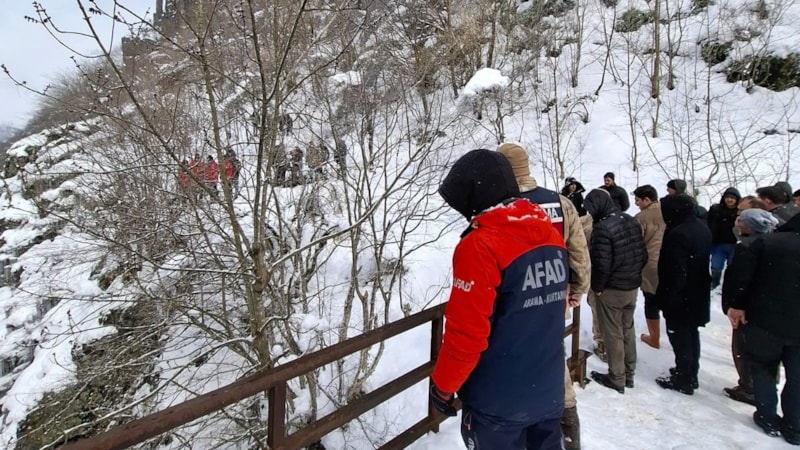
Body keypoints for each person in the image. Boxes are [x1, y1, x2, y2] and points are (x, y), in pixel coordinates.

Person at [430, 149, 568, 450]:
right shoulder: (549, 233)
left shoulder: (480, 246)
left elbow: (467, 334)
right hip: (547, 390)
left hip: (500, 401)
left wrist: (443, 386)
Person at [497, 143, 589, 450]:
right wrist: (576, 290)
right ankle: (567, 432)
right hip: (553, 299)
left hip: (512, 304)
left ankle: (519, 427)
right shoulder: (560, 202)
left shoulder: (500, 205)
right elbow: (578, 252)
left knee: (512, 362)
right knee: (552, 357)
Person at [723, 212, 800, 445]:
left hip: (765, 320)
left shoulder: (765, 243)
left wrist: (736, 305)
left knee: (763, 368)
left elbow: (742, 279)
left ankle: (767, 416)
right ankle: (795, 426)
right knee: (797, 377)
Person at [584, 189, 647, 394]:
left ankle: (616, 377)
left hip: (612, 288)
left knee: (612, 333)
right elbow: (642, 253)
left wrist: (598, 288)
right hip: (631, 285)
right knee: (627, 329)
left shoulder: (602, 228)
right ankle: (629, 372)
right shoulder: (630, 220)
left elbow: (602, 264)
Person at [654, 194, 712, 395]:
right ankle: (689, 372)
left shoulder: (679, 234)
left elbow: (676, 271)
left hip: (681, 295)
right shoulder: (700, 226)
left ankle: (684, 378)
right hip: (697, 291)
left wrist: (669, 297)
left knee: (680, 337)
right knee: (691, 334)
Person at [722, 208, 778, 406]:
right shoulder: (772, 244)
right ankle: (758, 383)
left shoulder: (748, 247)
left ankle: (749, 387)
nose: (737, 224)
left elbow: (742, 279)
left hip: (746, 308)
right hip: (763, 306)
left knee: (743, 347)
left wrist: (735, 304)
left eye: (741, 221)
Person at [633, 185, 665, 349]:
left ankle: (654, 337)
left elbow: (636, 244)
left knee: (651, 301)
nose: (636, 203)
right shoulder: (669, 211)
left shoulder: (641, 218)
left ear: (647, 199)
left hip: (650, 264)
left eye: (638, 200)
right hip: (669, 262)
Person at [706, 187, 741, 289]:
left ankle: (730, 285)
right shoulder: (716, 209)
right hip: (718, 243)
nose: (729, 200)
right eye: (727, 197)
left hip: (734, 244)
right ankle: (715, 283)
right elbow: (708, 222)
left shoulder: (740, 211)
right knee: (716, 265)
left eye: (732, 198)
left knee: (732, 266)